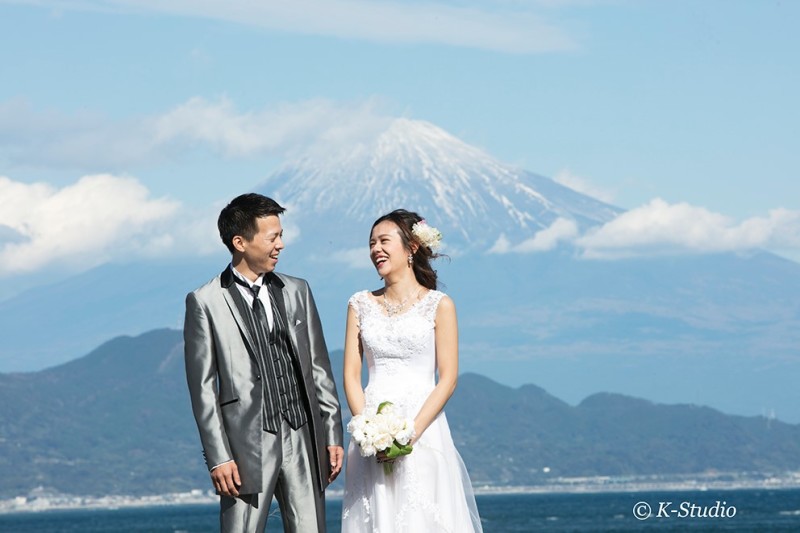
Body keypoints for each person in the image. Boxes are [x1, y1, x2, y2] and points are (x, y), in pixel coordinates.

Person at [183, 193, 344, 532]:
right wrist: (219, 456)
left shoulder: (297, 290)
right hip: (244, 446)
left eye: (281, 235)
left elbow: (319, 368)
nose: (281, 245)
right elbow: (203, 389)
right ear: (240, 242)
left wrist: (332, 433)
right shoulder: (205, 302)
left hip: (302, 434)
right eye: (273, 237)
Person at [341, 209, 483, 532]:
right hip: (371, 430)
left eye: (384, 241)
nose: (376, 249)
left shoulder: (439, 305)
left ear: (411, 248)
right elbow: (351, 374)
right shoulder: (359, 304)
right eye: (371, 243)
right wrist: (366, 430)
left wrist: (409, 434)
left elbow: (447, 379)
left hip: (423, 427)